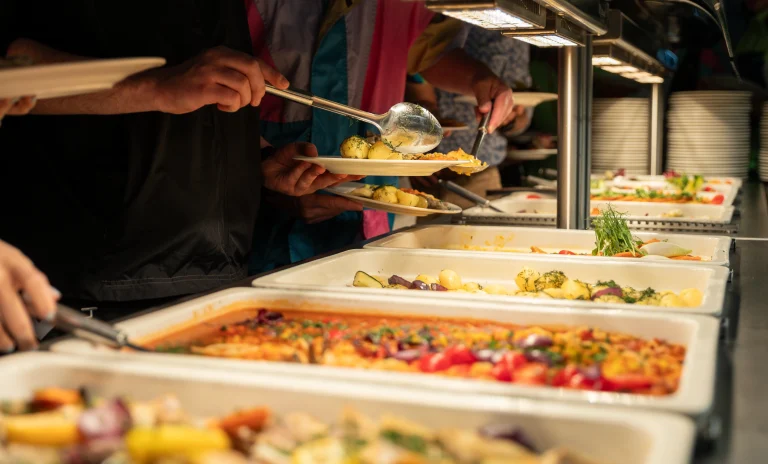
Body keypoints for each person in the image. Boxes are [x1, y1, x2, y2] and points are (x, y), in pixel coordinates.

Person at [0, 1, 354, 310]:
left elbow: (198, 90)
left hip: (224, 269)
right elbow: (10, 67)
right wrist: (154, 85)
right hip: (96, 271)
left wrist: (256, 161)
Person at [248, 2, 517, 272]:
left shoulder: (418, 4)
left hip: (371, 202)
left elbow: (428, 49)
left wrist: (479, 78)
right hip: (263, 188)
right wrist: (262, 167)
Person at [409, 27, 533, 208]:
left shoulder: (513, 28)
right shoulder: (436, 20)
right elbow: (416, 65)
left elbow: (523, 115)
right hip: (422, 171)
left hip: (479, 179)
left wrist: (509, 120)